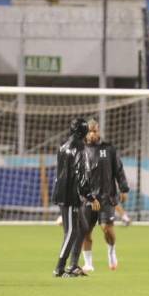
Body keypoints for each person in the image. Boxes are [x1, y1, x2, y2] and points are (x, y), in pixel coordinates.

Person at [80, 118, 129, 272]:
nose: (92, 134)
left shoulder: (109, 149)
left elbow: (118, 170)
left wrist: (124, 188)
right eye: (90, 131)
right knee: (85, 231)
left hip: (106, 197)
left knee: (106, 228)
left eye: (95, 130)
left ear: (99, 131)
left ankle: (111, 250)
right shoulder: (80, 150)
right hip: (87, 197)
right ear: (86, 133)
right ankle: (88, 263)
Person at [53, 118, 93, 277]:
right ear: (84, 132)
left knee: (83, 227)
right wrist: (89, 195)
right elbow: (82, 174)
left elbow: (60, 172)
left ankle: (73, 266)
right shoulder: (81, 149)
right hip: (70, 195)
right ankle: (59, 267)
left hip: (62, 191)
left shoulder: (63, 147)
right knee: (70, 231)